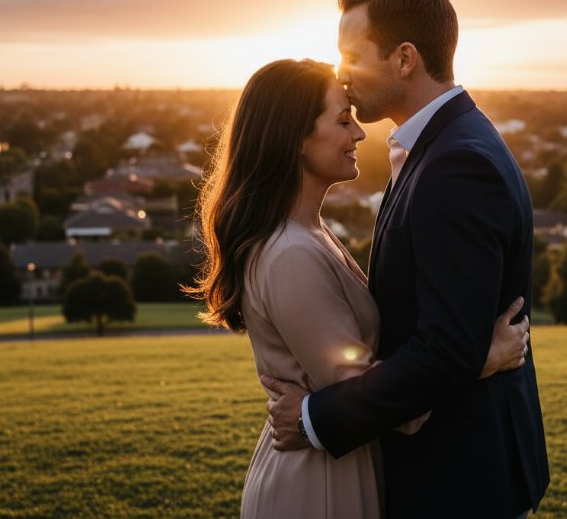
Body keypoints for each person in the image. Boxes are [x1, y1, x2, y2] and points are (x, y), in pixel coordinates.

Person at [187, 58, 531, 518]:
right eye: (343, 120)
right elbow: (370, 393)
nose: (360, 134)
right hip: (317, 488)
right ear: (297, 140)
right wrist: (480, 360)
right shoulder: (291, 253)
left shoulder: (310, 233)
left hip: (339, 462)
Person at [261, 0, 550, 519]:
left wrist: (314, 418)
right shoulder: (441, 145)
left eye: (352, 54)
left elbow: (445, 349)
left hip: (458, 475)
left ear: (404, 59)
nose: (341, 74)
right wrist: (479, 357)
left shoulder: (456, 163)